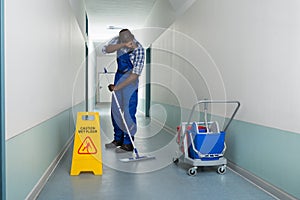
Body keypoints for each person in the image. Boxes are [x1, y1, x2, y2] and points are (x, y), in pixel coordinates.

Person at [102, 29, 145, 153]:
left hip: (130, 80)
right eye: (122, 40)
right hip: (119, 76)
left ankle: (128, 143)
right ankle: (118, 139)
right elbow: (106, 49)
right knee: (115, 111)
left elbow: (135, 74)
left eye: (127, 40)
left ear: (132, 37)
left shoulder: (139, 49)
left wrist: (116, 87)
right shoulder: (118, 41)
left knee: (128, 112)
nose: (126, 42)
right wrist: (122, 45)